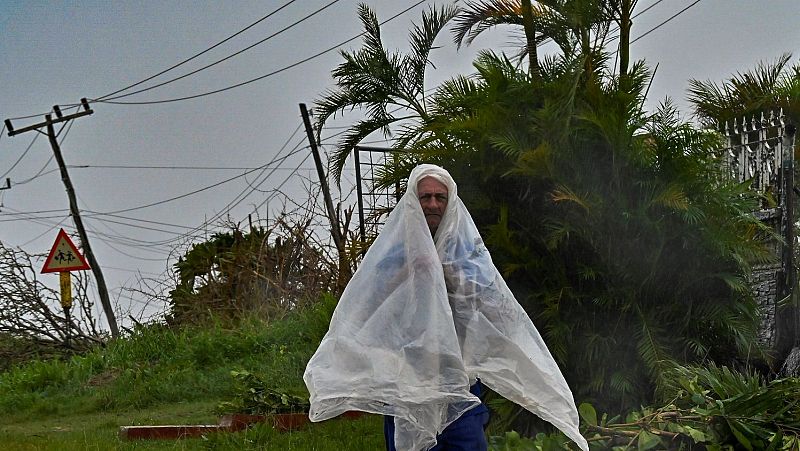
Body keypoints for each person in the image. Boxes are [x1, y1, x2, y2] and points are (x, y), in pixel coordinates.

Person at [304, 164, 588, 451]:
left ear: (450, 202)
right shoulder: (392, 253)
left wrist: (451, 276)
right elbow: (368, 309)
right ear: (413, 201)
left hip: (458, 380)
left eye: (440, 197)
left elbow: (493, 307)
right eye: (425, 197)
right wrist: (412, 273)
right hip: (407, 381)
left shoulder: (467, 254)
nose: (432, 204)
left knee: (468, 443)